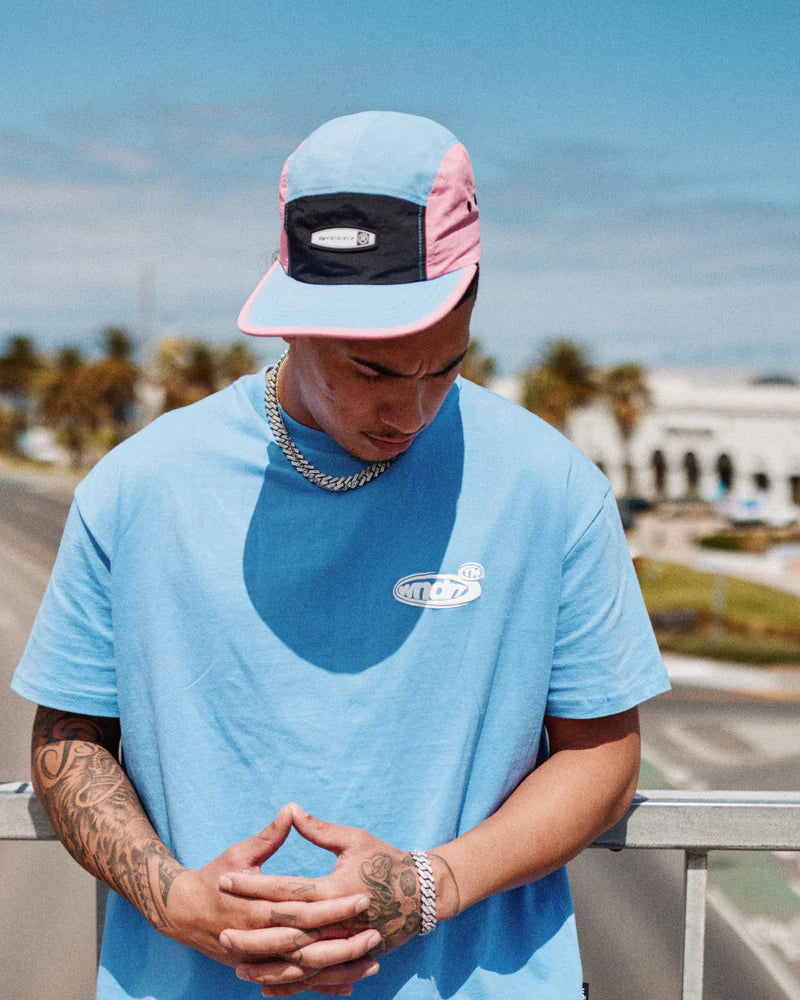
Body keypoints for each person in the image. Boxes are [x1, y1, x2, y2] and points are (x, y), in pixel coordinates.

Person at [12, 111, 669, 1000]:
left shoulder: (552, 488)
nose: (413, 410)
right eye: (373, 372)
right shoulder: (138, 488)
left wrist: (431, 887)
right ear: (290, 324)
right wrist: (174, 901)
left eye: (445, 366)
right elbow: (68, 739)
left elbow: (605, 756)